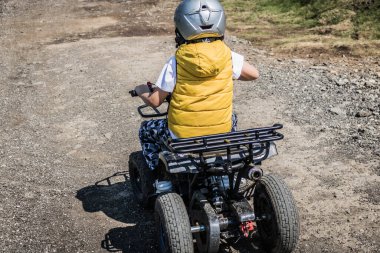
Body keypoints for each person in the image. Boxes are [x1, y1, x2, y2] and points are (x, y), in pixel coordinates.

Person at [134, 0, 259, 170]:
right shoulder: (227, 55)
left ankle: (157, 177)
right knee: (232, 116)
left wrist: (141, 90)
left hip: (182, 137)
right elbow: (254, 74)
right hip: (220, 133)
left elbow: (155, 101)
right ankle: (223, 157)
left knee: (147, 130)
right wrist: (229, 72)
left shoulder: (177, 61)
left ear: (181, 27)